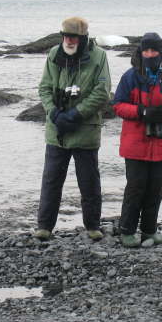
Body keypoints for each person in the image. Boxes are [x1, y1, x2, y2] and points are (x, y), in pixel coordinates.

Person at [34, 17, 111, 241]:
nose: (68, 41)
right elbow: (44, 87)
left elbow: (102, 91)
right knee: (51, 180)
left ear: (83, 38)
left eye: (73, 37)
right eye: (65, 36)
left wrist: (77, 113)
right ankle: (44, 226)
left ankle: (93, 226)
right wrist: (53, 112)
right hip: (57, 131)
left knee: (89, 181)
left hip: (85, 130)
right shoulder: (53, 54)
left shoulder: (99, 56)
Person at [113, 32, 162, 247]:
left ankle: (149, 231)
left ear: (161, 52)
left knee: (155, 188)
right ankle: (127, 231)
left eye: (153, 50)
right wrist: (141, 111)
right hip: (135, 142)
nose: (149, 54)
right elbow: (118, 105)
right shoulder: (131, 76)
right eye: (145, 50)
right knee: (135, 187)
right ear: (140, 52)